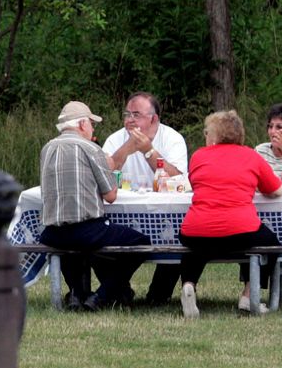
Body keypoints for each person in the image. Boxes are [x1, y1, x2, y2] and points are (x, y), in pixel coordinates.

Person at [38, 101, 149, 311]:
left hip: (52, 232)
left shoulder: (47, 148)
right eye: (91, 123)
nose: (93, 128)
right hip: (85, 231)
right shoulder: (90, 148)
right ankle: (102, 295)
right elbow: (111, 195)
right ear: (81, 124)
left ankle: (77, 293)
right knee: (141, 243)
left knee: (73, 242)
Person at [178, 110, 282, 318]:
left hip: (196, 228)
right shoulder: (251, 156)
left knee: (196, 246)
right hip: (240, 229)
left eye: (207, 132)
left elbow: (196, 182)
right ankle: (248, 294)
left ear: (216, 136)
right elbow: (275, 190)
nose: (205, 136)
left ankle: (189, 285)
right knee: (271, 243)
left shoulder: (198, 156)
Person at [102, 91, 188, 304]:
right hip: (122, 212)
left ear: (154, 118)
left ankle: (159, 294)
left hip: (165, 213)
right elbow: (102, 174)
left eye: (136, 115)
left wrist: (149, 152)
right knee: (99, 240)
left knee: (179, 234)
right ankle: (120, 292)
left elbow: (180, 181)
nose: (130, 120)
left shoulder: (172, 138)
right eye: (127, 114)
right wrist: (126, 150)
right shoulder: (115, 139)